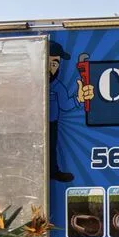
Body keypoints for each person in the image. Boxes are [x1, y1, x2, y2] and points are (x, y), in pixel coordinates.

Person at [48, 40, 94, 182]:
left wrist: (79, 98)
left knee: (51, 148)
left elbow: (66, 105)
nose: (51, 68)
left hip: (51, 123)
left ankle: (53, 171)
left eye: (55, 64)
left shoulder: (57, 86)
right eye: (47, 63)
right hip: (31, 125)